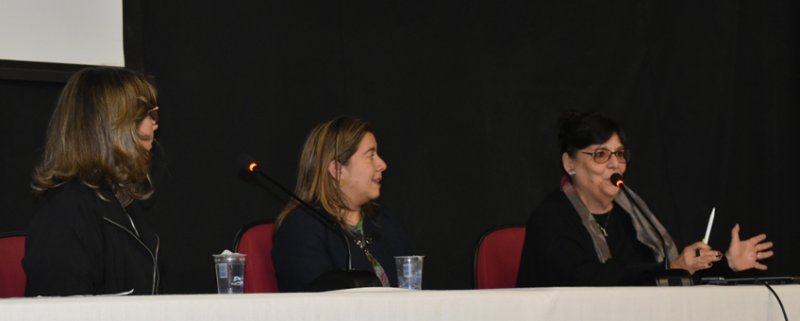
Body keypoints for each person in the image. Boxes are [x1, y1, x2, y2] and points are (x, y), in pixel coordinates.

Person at [516, 111, 774, 287]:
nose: (615, 165)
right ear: (569, 162)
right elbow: (587, 280)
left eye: (619, 154)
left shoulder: (631, 216)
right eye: (600, 155)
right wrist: (671, 267)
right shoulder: (549, 220)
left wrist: (726, 264)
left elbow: (658, 280)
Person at [23, 67, 162, 296]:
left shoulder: (123, 205)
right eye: (149, 115)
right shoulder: (68, 212)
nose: (155, 124)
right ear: (116, 127)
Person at [271, 116, 411, 292]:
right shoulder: (302, 229)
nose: (382, 164)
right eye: (370, 155)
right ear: (337, 170)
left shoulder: (383, 221)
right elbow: (319, 306)